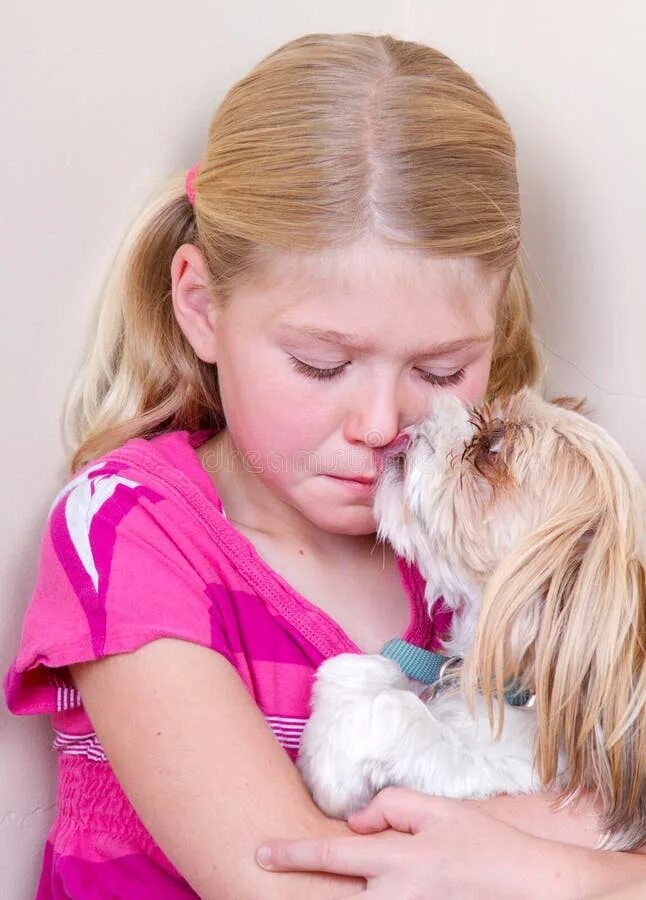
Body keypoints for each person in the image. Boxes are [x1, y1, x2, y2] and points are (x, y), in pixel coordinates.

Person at [3, 31, 645, 899]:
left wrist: (573, 872)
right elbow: (290, 883)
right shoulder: (129, 531)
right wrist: (568, 865)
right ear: (200, 308)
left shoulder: (482, 555)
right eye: (321, 365)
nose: (383, 424)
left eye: (440, 370)